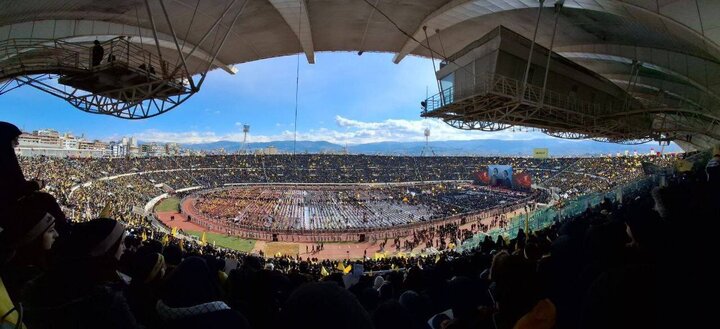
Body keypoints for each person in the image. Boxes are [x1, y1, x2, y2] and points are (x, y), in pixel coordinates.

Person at [22, 218, 139, 329]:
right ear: (107, 248)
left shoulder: (53, 274)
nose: (124, 248)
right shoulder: (107, 300)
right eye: (122, 243)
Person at [0, 121, 42, 210]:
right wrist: (37, 184)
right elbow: (17, 191)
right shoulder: (6, 162)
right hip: (6, 213)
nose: (17, 144)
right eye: (15, 140)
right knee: (45, 199)